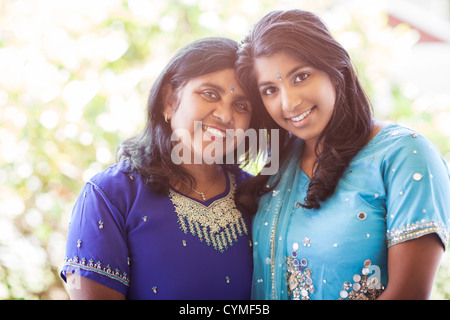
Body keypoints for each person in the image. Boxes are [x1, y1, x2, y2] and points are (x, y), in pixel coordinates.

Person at [236, 9, 450, 300]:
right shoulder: (279, 167)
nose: (289, 103)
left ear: (336, 70)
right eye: (271, 89)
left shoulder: (405, 155)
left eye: (300, 77)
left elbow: (409, 293)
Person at [60, 37, 264, 299]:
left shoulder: (257, 197)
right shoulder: (110, 196)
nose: (225, 115)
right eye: (210, 94)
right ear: (169, 100)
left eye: (241, 105)